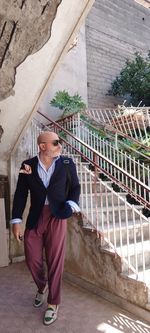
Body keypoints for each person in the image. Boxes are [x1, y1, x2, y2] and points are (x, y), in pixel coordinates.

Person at [10, 131, 80, 325]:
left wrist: (72, 206)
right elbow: (21, 194)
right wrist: (16, 220)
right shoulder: (28, 165)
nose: (60, 146)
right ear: (43, 146)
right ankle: (42, 286)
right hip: (36, 216)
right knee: (32, 257)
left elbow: (75, 187)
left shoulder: (67, 164)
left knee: (55, 260)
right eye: (56, 143)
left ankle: (53, 303)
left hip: (58, 215)